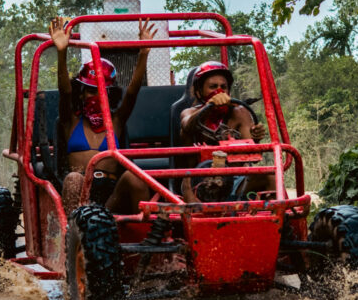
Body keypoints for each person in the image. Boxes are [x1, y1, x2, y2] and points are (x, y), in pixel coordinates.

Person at [48, 17, 156, 214]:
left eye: (102, 91)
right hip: (81, 194)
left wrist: (143, 54)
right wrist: (61, 52)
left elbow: (132, 93)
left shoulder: (116, 121)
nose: (96, 96)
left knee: (136, 177)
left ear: (110, 94)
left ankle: (145, 236)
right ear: (81, 92)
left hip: (111, 196)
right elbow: (65, 93)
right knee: (73, 179)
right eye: (91, 91)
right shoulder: (70, 121)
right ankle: (73, 237)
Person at [178, 61, 269, 201]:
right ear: (199, 91)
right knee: (188, 189)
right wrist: (209, 107)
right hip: (199, 182)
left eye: (223, 87)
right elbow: (187, 126)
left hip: (236, 181)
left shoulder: (239, 113)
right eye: (213, 87)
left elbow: (254, 156)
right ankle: (199, 217)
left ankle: (284, 218)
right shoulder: (189, 113)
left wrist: (255, 139)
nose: (219, 91)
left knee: (270, 175)